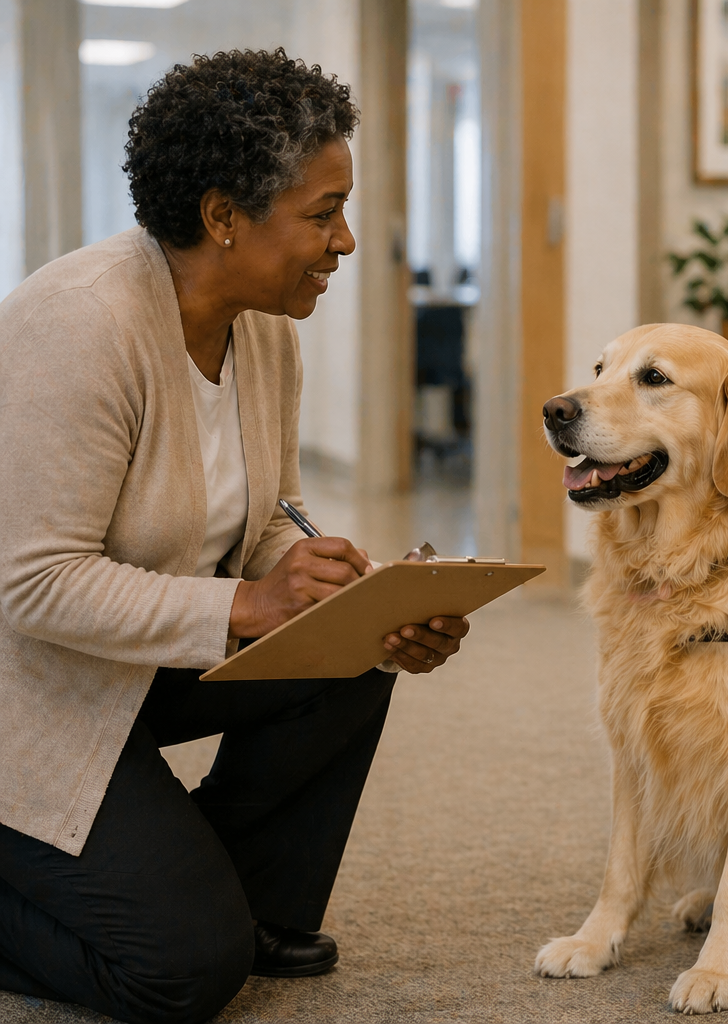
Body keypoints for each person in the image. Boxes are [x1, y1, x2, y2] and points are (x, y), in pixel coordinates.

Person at [0, 50, 469, 1024]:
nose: (345, 240)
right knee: (179, 974)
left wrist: (336, 590)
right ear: (222, 217)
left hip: (137, 660)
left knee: (351, 652)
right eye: (321, 211)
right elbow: (33, 583)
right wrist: (254, 603)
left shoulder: (265, 329)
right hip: (31, 688)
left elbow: (266, 524)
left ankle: (238, 901)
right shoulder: (79, 325)